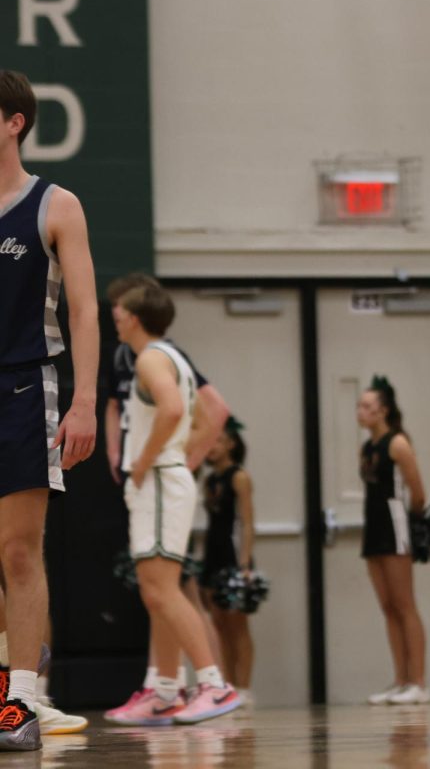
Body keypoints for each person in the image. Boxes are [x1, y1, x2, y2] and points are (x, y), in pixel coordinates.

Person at [0, 69, 99, 751]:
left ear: (15, 121)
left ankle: (22, 700)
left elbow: (86, 309)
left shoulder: (55, 204)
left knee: (17, 550)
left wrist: (86, 399)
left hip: (23, 386)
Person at [109, 284, 241, 724]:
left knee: (161, 590)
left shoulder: (149, 358)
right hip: (167, 477)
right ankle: (166, 691)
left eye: (120, 307)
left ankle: (215, 686)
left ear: (136, 316)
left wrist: (147, 462)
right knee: (157, 593)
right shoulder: (174, 357)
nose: (115, 313)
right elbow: (206, 417)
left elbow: (169, 411)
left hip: (160, 480)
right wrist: (183, 458)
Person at [358, 377, 429, 705]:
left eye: (368, 406)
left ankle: (419, 682)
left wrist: (413, 527)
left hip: (395, 525)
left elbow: (418, 494)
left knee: (405, 605)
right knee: (387, 607)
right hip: (372, 527)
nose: (361, 411)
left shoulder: (398, 443)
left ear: (384, 410)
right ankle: (400, 680)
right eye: (360, 406)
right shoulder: (367, 447)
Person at [199, 417, 256, 698]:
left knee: (237, 625)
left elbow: (246, 522)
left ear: (231, 444)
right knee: (219, 623)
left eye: (217, 440)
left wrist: (244, 564)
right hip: (213, 554)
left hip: (234, 557)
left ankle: (244, 688)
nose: (211, 446)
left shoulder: (239, 477)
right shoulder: (210, 480)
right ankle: (228, 686)